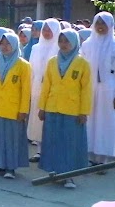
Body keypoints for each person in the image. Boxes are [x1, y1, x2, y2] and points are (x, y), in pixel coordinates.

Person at [38, 29, 91, 188]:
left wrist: (84, 111)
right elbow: (46, 85)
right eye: (61, 41)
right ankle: (54, 171)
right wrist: (42, 107)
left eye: (67, 41)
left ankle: (69, 175)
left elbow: (86, 89)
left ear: (74, 42)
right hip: (53, 107)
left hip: (72, 109)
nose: (63, 44)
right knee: (53, 140)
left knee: (70, 142)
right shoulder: (52, 61)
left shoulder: (82, 63)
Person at [0, 33, 31, 179]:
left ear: (14, 45)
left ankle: (11, 168)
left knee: (12, 138)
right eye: (2, 44)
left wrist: (23, 110)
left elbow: (26, 91)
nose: (4, 47)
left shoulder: (23, 65)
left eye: (8, 44)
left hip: (13, 109)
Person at [79, 13, 115, 166]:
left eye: (103, 23)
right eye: (97, 23)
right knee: (90, 121)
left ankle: (104, 158)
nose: (100, 26)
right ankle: (90, 156)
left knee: (107, 123)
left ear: (110, 25)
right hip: (90, 88)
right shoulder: (87, 44)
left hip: (109, 89)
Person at [27, 19, 62, 160]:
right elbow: (31, 68)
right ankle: (39, 151)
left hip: (53, 90)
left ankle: (52, 151)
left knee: (51, 120)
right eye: (45, 29)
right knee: (37, 120)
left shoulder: (60, 48)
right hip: (36, 87)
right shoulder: (36, 48)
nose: (47, 32)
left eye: (50, 30)